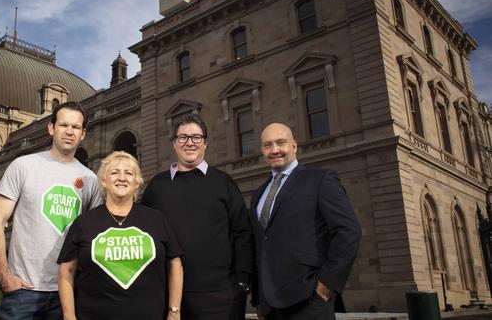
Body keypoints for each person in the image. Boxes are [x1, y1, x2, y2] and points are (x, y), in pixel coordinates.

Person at [0, 101, 103, 320]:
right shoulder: (23, 166)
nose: (69, 132)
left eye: (76, 127)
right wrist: (4, 276)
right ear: (51, 128)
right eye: (63, 125)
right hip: (23, 292)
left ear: (83, 133)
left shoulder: (90, 179)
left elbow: (95, 237)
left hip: (67, 293)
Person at [142, 113, 254, 320]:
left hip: (221, 298)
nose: (189, 143)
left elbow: (243, 233)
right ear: (174, 144)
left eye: (196, 137)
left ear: (205, 144)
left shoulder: (224, 182)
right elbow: (142, 236)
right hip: (168, 298)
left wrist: (243, 283)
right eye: (182, 137)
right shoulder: (157, 187)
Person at [251, 123, 361, 320]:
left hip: (309, 299)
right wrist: (260, 299)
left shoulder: (321, 180)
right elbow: (260, 245)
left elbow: (348, 231)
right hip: (271, 307)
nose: (274, 150)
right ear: (262, 150)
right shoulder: (259, 193)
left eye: (280, 143)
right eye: (268, 145)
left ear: (294, 146)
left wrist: (326, 284)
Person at [58, 151, 184, 320]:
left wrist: (174, 312)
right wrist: (69, 317)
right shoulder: (84, 222)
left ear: (137, 183)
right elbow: (67, 271)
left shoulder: (156, 219)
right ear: (103, 181)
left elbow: (175, 264)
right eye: (114, 172)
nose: (122, 178)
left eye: (129, 173)